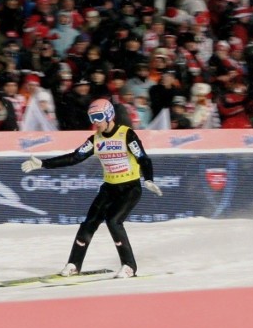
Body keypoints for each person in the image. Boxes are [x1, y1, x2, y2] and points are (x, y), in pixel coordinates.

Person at [21, 98, 163, 279]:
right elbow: (74, 157)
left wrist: (149, 179)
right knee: (89, 223)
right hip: (109, 188)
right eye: (91, 118)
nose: (95, 122)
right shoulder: (95, 139)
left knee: (113, 221)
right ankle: (74, 264)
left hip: (130, 188)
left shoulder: (127, 135)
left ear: (109, 115)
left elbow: (143, 158)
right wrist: (43, 164)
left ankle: (129, 266)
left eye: (98, 116)